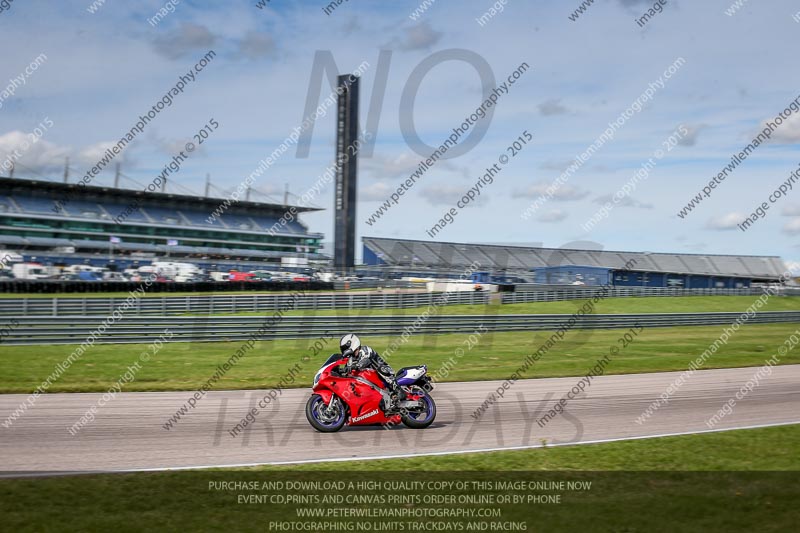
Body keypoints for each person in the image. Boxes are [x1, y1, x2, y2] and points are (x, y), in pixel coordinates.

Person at [339, 333, 406, 402]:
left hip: (383, 373)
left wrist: (355, 366)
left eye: (345, 348)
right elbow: (347, 370)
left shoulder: (365, 350)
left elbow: (366, 361)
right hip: (369, 381)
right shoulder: (350, 359)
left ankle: (398, 390)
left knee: (381, 368)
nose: (344, 351)